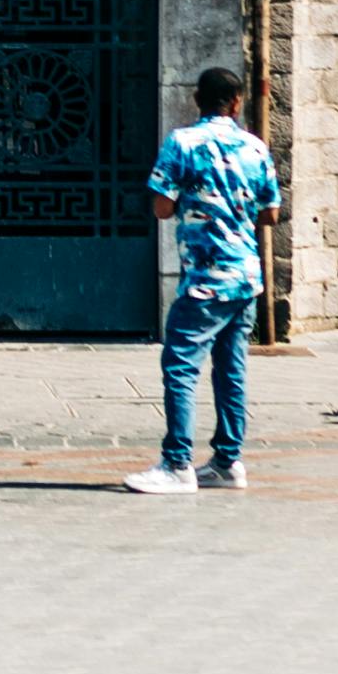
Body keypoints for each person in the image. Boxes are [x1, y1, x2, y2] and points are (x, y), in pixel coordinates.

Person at [130, 64, 283, 494]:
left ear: (198, 100)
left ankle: (177, 463)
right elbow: (271, 213)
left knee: (180, 364)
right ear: (236, 103)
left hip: (205, 277)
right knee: (231, 369)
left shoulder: (182, 142)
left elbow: (161, 206)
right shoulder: (255, 147)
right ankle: (228, 461)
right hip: (246, 275)